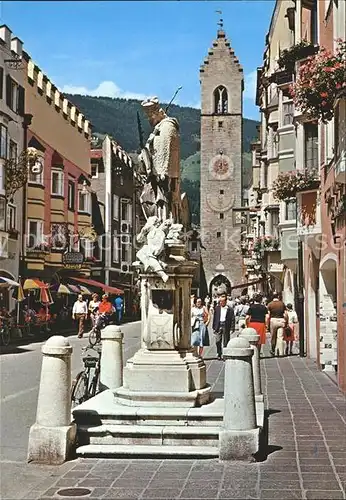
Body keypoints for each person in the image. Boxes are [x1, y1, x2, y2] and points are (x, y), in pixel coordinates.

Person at [138, 96, 181, 222]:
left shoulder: (167, 126)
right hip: (155, 172)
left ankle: (163, 221)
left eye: (150, 116)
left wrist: (163, 170)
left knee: (162, 198)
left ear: (158, 113)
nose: (149, 119)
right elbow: (152, 150)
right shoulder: (159, 129)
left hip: (163, 173)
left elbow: (166, 149)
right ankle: (157, 221)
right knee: (146, 197)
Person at [212, 292, 235, 360]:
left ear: (225, 301)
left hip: (226, 325)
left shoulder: (229, 309)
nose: (221, 302)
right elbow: (215, 318)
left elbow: (232, 319)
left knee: (226, 341)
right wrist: (214, 327)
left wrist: (232, 328)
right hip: (218, 325)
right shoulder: (217, 308)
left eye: (222, 301)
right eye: (220, 301)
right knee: (217, 341)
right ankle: (219, 352)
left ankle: (225, 354)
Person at [267, 292, 288, 356]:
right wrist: (286, 322)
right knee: (280, 337)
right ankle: (281, 352)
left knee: (273, 337)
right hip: (281, 321)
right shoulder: (282, 304)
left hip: (273, 321)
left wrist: (267, 325)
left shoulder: (270, 304)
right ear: (278, 296)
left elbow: (268, 315)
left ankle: (273, 350)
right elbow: (286, 314)